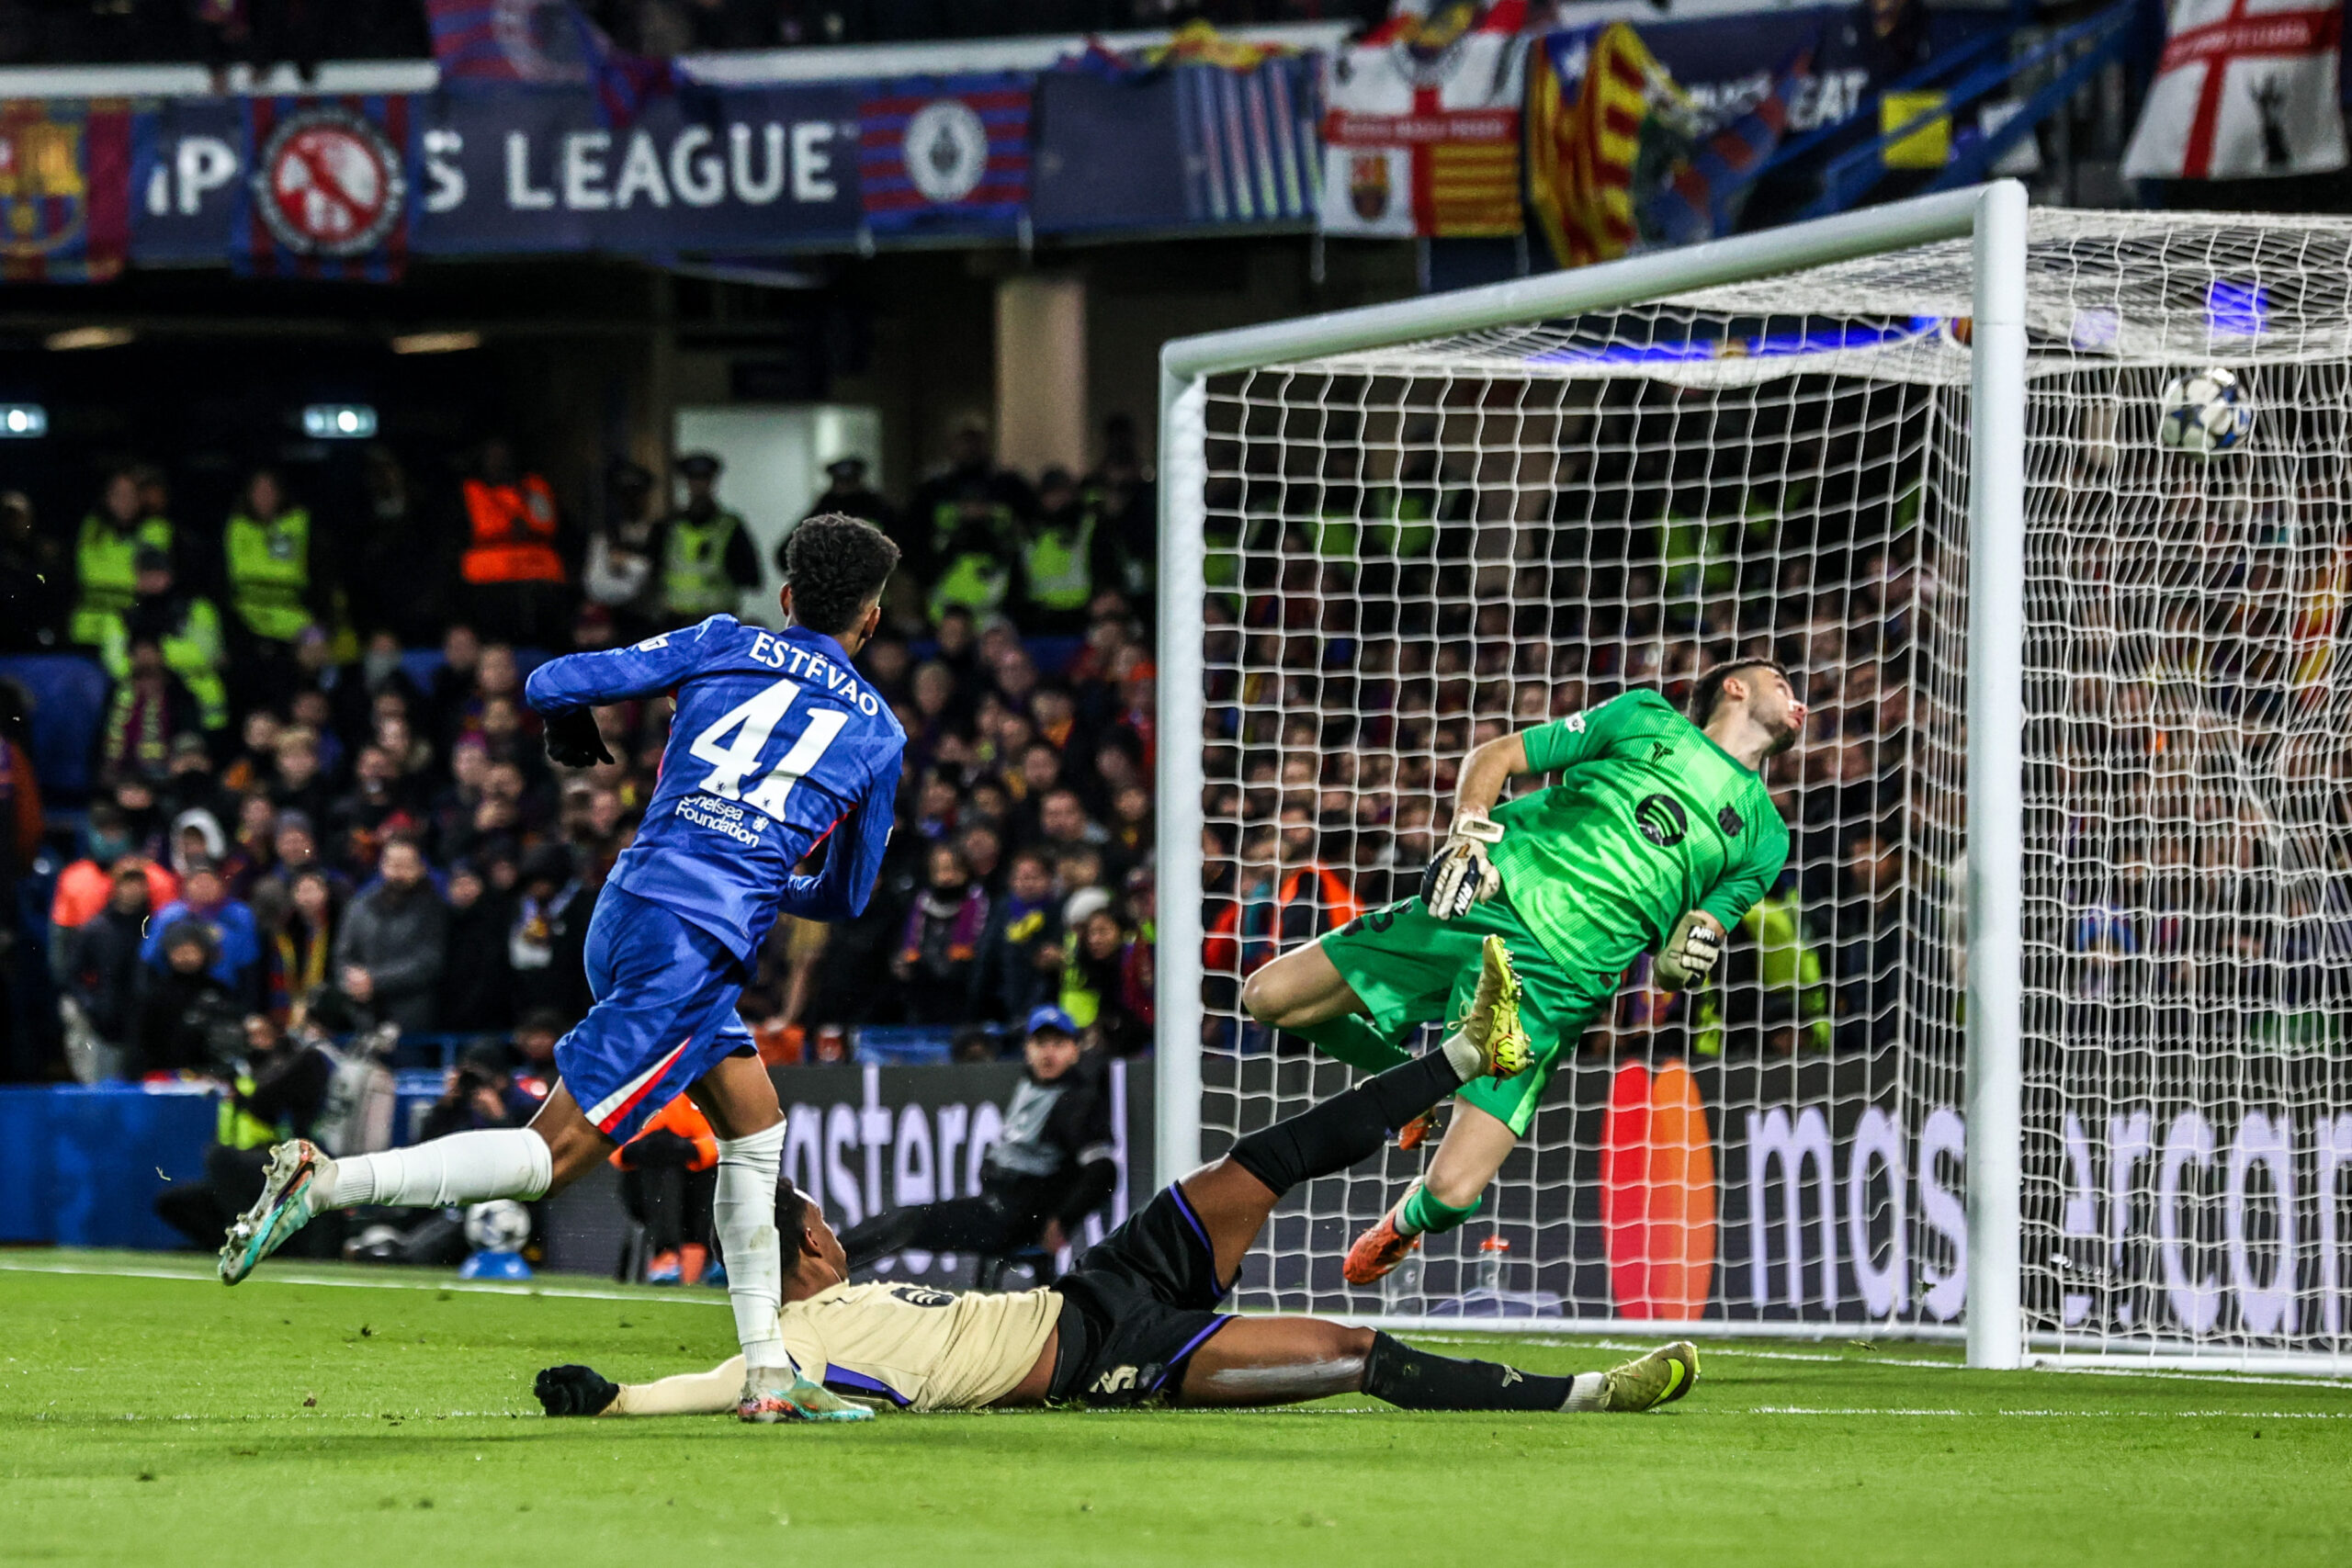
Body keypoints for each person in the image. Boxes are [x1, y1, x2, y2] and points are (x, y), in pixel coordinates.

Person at [220, 513, 908, 1428]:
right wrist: (767, 871)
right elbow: (847, 897)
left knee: (753, 1130)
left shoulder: (723, 641)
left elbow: (552, 681)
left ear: (785, 599)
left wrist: (572, 730)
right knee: (550, 1159)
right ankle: (330, 1183)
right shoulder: (880, 735)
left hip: (625, 907)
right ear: (869, 620)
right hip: (695, 945)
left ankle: (769, 1376)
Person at [534, 1030, 1699, 1418]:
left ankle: (1459, 1054)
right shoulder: (795, 1348)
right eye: (825, 1226)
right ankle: (1591, 1393)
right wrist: (617, 1398)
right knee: (1350, 1356)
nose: (841, 1237)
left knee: (1259, 1163)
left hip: (1096, 1282)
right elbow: (727, 1380)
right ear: (804, 1254)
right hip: (1107, 1355)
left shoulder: (833, 1315)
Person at [1240, 659, 1804, 1285]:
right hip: (1484, 900)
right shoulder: (1644, 716)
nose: (1795, 696)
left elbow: (1682, 955)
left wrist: (1687, 958)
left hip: (1556, 982)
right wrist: (1468, 840)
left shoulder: (1765, 836)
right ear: (1736, 687)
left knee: (1451, 1195)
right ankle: (1404, 1086)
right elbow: (1499, 754)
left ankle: (1402, 1222)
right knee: (1268, 995)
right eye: (1782, 682)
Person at [835, 1005, 1112, 1278]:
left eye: (1058, 1044)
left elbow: (1104, 1170)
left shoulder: (1077, 1101)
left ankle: (828, 1268)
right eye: (1041, 1043)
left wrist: (1062, 1221)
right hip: (994, 1207)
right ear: (1027, 1048)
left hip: (1014, 1220)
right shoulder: (1033, 1085)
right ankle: (828, 1259)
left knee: (910, 1222)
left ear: (1075, 1050)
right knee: (903, 1218)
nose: (1048, 1053)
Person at [100, 547, 229, 740]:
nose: (152, 580)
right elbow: (116, 663)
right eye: (146, 573)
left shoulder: (198, 608)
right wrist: (153, 660)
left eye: (159, 572)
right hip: (142, 711)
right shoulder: (122, 615)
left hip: (199, 710)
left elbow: (206, 654)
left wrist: (157, 653)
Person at [221, 467, 318, 710]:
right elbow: (223, 588)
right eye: (258, 490)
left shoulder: (300, 525)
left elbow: (321, 588)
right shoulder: (236, 528)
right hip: (246, 629)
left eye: (270, 490)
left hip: (296, 629)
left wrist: (317, 634)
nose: (264, 496)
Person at [329, 837, 447, 1033]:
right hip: (362, 1020)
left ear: (420, 868)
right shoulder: (359, 906)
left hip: (412, 1022)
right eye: (393, 865)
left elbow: (429, 962)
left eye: (406, 866)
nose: (398, 873)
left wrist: (374, 980)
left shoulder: (433, 909)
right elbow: (342, 956)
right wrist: (351, 982)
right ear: (382, 866)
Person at [458, 437, 567, 647]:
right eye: (492, 455)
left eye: (503, 454)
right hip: (488, 585)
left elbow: (551, 523)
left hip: (537, 581)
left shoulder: (534, 487)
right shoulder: (468, 491)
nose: (499, 460)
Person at [612, 1093, 720, 1286]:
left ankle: (677, 1265)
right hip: (646, 1170)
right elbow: (614, 1134)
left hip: (699, 1166)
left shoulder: (711, 1078)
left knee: (694, 1171)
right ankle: (667, 1256)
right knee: (660, 1160)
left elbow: (729, 1136)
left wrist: (693, 1150)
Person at [71, 467, 173, 649]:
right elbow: (89, 576)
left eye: (130, 494)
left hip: (134, 627)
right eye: (118, 494)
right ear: (106, 497)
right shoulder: (93, 529)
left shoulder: (154, 529)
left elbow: (157, 582)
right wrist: (134, 582)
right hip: (89, 629)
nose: (124, 502)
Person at [660, 452, 762, 626]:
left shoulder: (731, 527)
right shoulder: (669, 526)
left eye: (704, 479)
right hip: (676, 622)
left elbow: (752, 577)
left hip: (718, 623)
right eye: (694, 479)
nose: (699, 486)